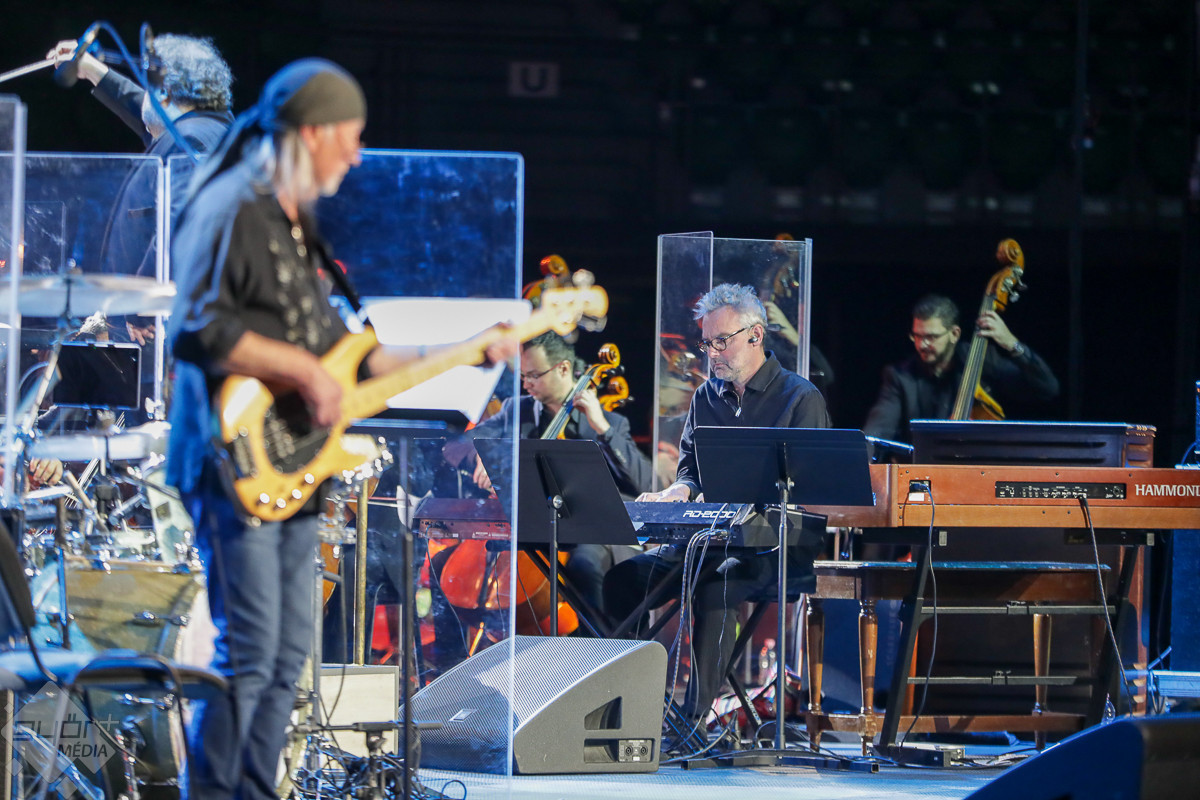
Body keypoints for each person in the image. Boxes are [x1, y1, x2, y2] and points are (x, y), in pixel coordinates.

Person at [165, 59, 513, 799]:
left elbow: (349, 354)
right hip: (233, 460)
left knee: (283, 659)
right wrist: (303, 370)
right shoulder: (229, 205)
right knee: (248, 655)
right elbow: (197, 329)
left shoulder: (296, 224)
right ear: (313, 132)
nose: (356, 157)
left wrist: (464, 349)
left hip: (296, 464)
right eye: (351, 138)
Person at [603, 283, 830, 728]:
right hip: (709, 541)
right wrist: (680, 491)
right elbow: (690, 468)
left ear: (755, 335)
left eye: (721, 341)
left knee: (717, 583)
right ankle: (630, 706)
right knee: (623, 580)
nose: (711, 353)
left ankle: (693, 723)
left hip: (775, 546)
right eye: (707, 343)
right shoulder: (706, 397)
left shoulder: (800, 398)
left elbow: (812, 486)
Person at [452, 331, 653, 616]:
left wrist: (603, 429)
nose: (526, 384)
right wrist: (482, 455)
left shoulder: (611, 422)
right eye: (523, 376)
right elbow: (457, 445)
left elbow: (645, 482)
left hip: (597, 532)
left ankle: (599, 639)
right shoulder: (517, 410)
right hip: (538, 527)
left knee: (584, 564)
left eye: (534, 375)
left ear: (563, 369)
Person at [863, 294, 1059, 444]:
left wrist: (1012, 344)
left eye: (931, 337)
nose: (922, 344)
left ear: (955, 334)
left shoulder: (983, 361)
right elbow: (878, 429)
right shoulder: (900, 376)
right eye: (917, 336)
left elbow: (1047, 389)